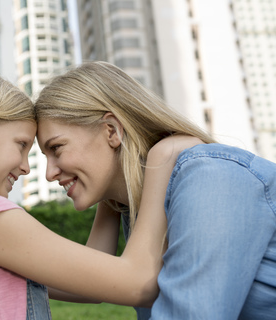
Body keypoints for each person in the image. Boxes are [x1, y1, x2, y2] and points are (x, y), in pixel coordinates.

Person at [0, 71, 198, 320]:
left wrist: (111, 184)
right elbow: (136, 283)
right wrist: (160, 163)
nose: (27, 168)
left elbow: (89, 286)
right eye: (22, 145)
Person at [34, 61, 276, 319]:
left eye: (57, 148)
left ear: (111, 130)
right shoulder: (132, 205)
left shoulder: (210, 176)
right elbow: (93, 281)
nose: (50, 174)